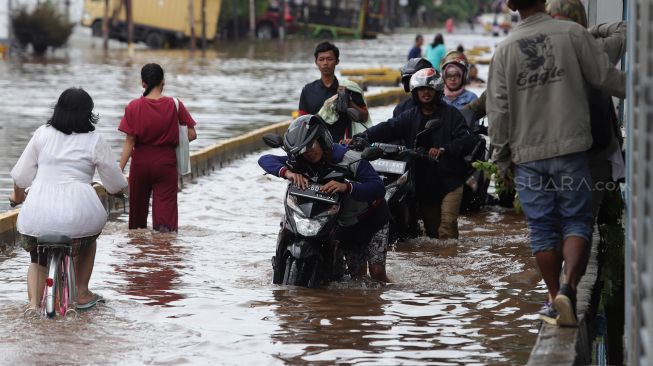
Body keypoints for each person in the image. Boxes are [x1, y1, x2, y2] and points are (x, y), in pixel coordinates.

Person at [486, 0, 625, 326]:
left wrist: (502, 161)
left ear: (512, 6)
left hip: (528, 157)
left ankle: (553, 298)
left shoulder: (504, 49)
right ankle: (567, 288)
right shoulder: (573, 34)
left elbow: (498, 113)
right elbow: (608, 79)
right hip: (572, 150)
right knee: (577, 223)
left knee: (542, 232)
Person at [9, 87, 128, 311]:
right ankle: (82, 292)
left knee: (36, 259)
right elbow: (115, 183)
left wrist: (16, 196)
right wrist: (117, 191)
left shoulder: (41, 134)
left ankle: (34, 306)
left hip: (37, 216)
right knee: (88, 242)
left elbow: (21, 176)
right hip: (79, 217)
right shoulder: (95, 140)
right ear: (89, 114)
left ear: (58, 110)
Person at [258, 115, 390, 282]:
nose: (309, 153)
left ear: (322, 139)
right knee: (358, 278)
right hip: (345, 223)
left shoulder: (350, 158)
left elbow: (378, 188)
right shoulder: (300, 159)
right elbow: (265, 160)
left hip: (371, 218)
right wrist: (288, 172)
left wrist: (347, 186)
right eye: (303, 150)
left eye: (311, 145)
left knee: (377, 273)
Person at [353, 68, 471, 239]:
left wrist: (444, 149)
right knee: (432, 235)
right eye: (421, 89)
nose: (425, 92)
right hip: (424, 182)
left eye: (429, 89)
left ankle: (452, 261)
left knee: (447, 230)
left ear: (437, 90)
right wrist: (362, 136)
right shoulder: (410, 115)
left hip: (450, 180)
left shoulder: (452, 115)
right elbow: (388, 127)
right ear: (415, 92)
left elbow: (466, 140)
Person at [545, 0, 627, 219]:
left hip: (555, 152)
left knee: (554, 224)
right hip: (595, 153)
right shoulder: (597, 48)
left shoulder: (537, 52)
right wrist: (591, 31)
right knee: (584, 222)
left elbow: (505, 94)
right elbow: (626, 30)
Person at [119, 63, 198, 232]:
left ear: (143, 83)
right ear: (163, 81)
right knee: (165, 225)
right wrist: (171, 142)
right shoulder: (175, 105)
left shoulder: (133, 106)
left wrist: (118, 170)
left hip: (140, 164)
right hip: (165, 163)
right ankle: (163, 254)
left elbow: (129, 141)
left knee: (136, 223)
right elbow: (192, 134)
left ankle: (140, 253)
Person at [298, 41, 370, 142]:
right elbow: (301, 123)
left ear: (337, 61)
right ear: (316, 62)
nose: (325, 63)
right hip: (316, 147)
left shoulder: (349, 88)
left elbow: (364, 117)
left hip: (344, 145)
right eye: (321, 59)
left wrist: (348, 101)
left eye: (329, 59)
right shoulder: (308, 90)